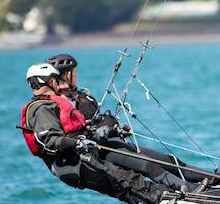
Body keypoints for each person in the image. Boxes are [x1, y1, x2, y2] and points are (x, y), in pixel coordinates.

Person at [19, 63, 170, 204]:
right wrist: (77, 142)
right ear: (51, 82)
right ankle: (165, 199)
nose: (58, 86)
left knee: (123, 186)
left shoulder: (46, 105)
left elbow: (67, 130)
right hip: (75, 165)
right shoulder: (42, 109)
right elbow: (50, 140)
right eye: (56, 81)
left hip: (76, 163)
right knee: (126, 180)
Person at [43, 53, 210, 191]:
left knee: (170, 161)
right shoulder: (61, 103)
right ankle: (189, 189)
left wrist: (115, 128)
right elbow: (77, 132)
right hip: (100, 150)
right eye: (75, 71)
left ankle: (217, 180)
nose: (77, 75)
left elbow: (98, 120)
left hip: (112, 142)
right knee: (149, 166)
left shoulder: (82, 95)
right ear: (66, 74)